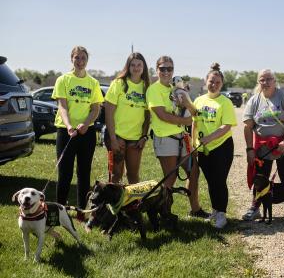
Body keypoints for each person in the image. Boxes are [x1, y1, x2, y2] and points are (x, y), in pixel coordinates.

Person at [146, 56, 209, 218]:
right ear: (157, 70)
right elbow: (161, 115)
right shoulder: (154, 90)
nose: (166, 72)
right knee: (170, 177)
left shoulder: (176, 88)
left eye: (169, 69)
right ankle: (163, 211)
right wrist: (185, 120)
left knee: (194, 171)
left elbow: (194, 111)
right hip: (165, 139)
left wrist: (186, 104)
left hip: (182, 137)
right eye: (162, 69)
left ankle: (195, 210)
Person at [51, 46, 104, 222]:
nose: (79, 61)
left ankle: (82, 212)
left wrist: (86, 124)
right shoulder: (63, 80)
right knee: (64, 173)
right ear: (71, 59)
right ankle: (59, 211)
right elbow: (62, 106)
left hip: (86, 133)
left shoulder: (93, 83)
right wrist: (68, 125)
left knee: (84, 173)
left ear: (87, 60)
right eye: (76, 58)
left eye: (83, 58)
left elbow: (96, 109)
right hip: (66, 132)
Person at [242, 69, 284, 221]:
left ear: (275, 81)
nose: (266, 82)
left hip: (282, 143)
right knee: (260, 177)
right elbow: (248, 126)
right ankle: (255, 207)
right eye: (262, 80)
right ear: (258, 82)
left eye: (269, 79)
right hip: (262, 146)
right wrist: (249, 149)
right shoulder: (254, 100)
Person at [193, 63, 237, 229]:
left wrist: (209, 138)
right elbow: (194, 123)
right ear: (206, 81)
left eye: (217, 82)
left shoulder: (225, 102)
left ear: (222, 84)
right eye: (211, 81)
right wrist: (193, 143)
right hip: (203, 148)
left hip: (221, 147)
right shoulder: (198, 100)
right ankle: (215, 210)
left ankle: (222, 215)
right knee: (211, 182)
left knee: (219, 181)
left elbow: (226, 126)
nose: (214, 84)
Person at [104, 52, 150, 184]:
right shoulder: (119, 83)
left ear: (144, 67)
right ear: (128, 67)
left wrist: (144, 136)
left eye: (139, 65)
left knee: (133, 175)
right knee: (116, 174)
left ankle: (133, 204)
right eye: (132, 65)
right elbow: (108, 112)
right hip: (117, 136)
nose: (136, 68)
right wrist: (113, 139)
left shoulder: (147, 87)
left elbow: (147, 116)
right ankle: (112, 203)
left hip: (135, 138)